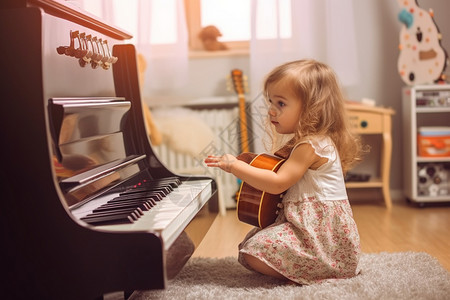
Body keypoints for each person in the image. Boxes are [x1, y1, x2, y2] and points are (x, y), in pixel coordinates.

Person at [204, 59, 363, 285]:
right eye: (270, 101)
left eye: (281, 103)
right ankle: (314, 267)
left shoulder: (310, 146)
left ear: (312, 108)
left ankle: (318, 271)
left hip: (320, 237)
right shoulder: (310, 141)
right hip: (308, 228)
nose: (271, 110)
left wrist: (235, 166)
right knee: (252, 245)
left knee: (253, 253)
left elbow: (278, 183)